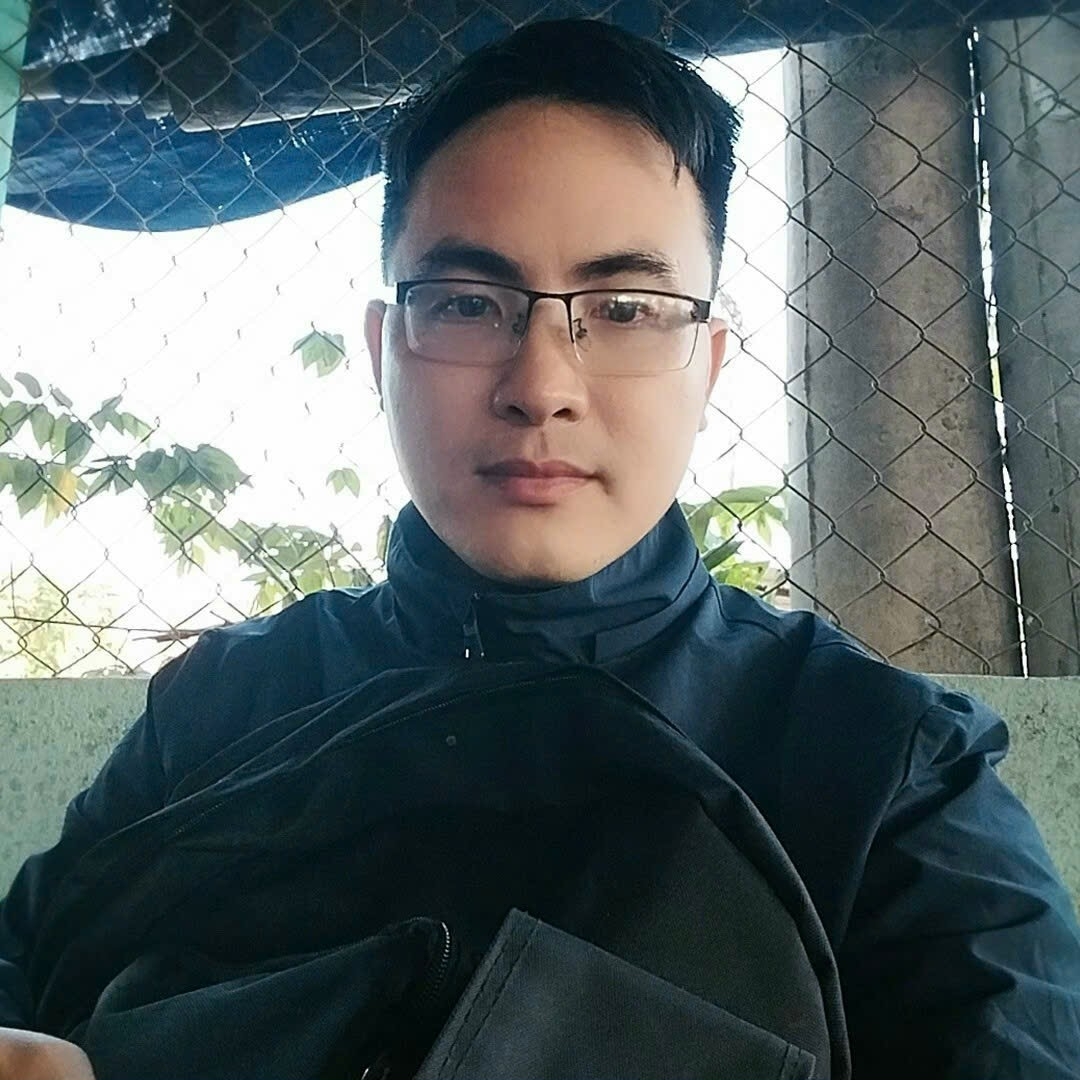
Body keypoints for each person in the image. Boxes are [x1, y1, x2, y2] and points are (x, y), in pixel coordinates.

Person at [2, 17, 1079, 1080]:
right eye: (469, 304)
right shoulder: (221, 711)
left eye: (625, 309)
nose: (541, 387)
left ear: (708, 364)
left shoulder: (881, 774)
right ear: (383, 350)